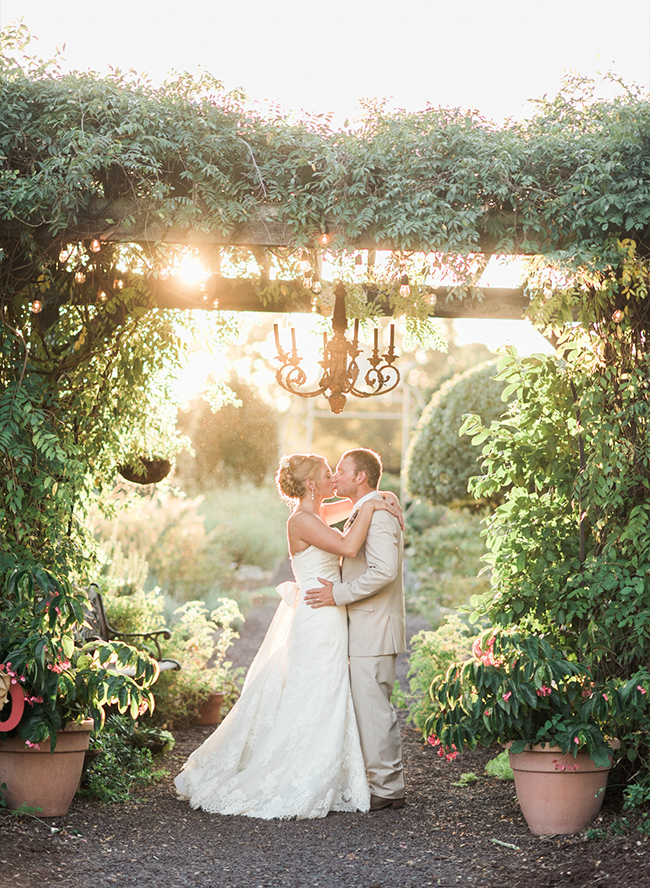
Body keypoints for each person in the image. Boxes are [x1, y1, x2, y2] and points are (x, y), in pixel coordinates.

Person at [173, 452, 401, 820]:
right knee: (314, 691)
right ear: (311, 483)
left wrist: (380, 497)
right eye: (327, 474)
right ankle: (297, 772)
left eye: (336, 472)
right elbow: (348, 546)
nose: (333, 478)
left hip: (329, 613)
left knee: (326, 693)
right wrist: (374, 504)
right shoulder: (302, 520)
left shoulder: (318, 513)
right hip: (318, 616)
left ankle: (326, 770)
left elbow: (355, 508)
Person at [304, 448, 406, 811]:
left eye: (342, 471)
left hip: (374, 627)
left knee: (374, 711)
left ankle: (388, 790)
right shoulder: (366, 509)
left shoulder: (377, 515)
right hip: (365, 627)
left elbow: (384, 571)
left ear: (360, 476)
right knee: (370, 709)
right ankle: (385, 783)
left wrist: (338, 594)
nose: (336, 477)